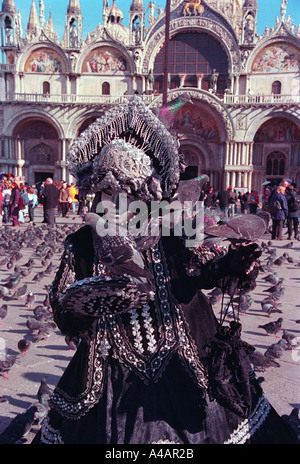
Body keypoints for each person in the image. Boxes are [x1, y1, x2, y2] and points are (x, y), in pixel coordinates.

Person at [33, 97, 298, 445]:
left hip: (183, 352)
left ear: (145, 193)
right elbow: (64, 306)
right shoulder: (82, 242)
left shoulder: (172, 229)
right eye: (107, 192)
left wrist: (235, 261)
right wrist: (88, 305)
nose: (115, 200)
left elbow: (206, 272)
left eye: (125, 192)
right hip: (110, 366)